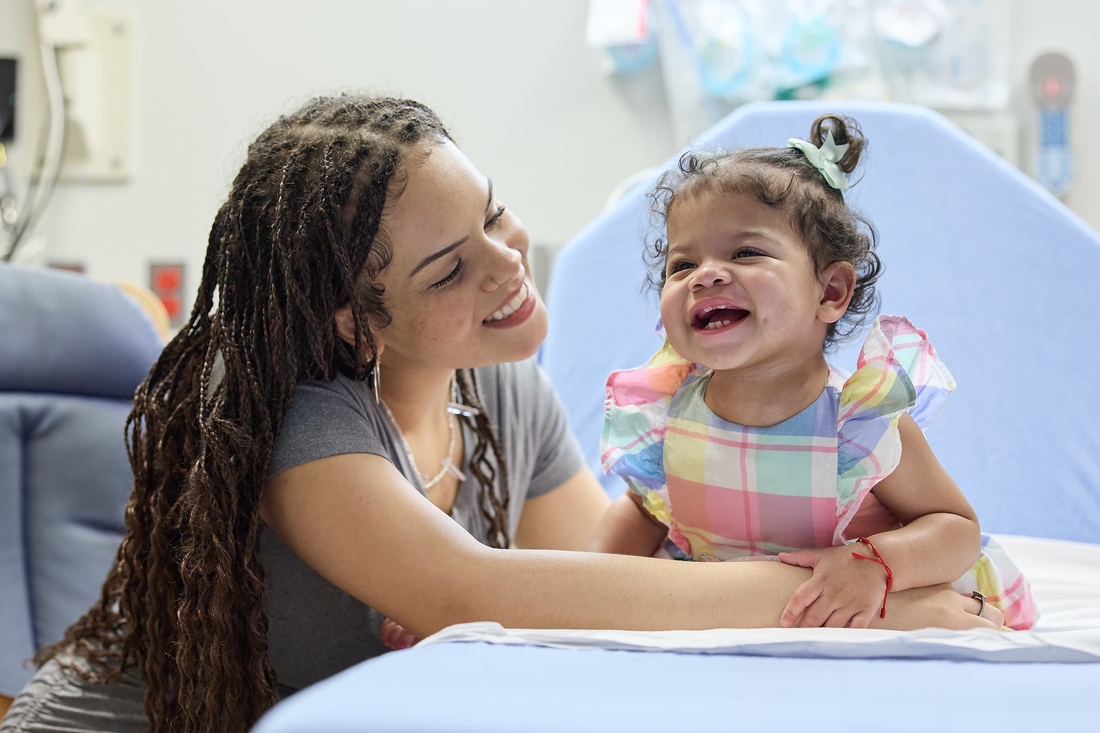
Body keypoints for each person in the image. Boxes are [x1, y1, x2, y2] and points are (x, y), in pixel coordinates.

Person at [0, 99, 1002, 733]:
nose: (506, 262)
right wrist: (849, 610)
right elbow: (474, 590)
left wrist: (869, 574)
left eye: (491, 212)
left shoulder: (494, 378)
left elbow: (597, 598)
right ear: (355, 323)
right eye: (450, 267)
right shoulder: (290, 417)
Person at [593, 114, 1037, 632]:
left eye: (746, 252)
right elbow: (645, 513)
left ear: (830, 293)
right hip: (733, 620)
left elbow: (955, 529)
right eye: (681, 265)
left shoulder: (857, 423)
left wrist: (877, 563)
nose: (706, 275)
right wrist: (592, 589)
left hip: (863, 614)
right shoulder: (668, 412)